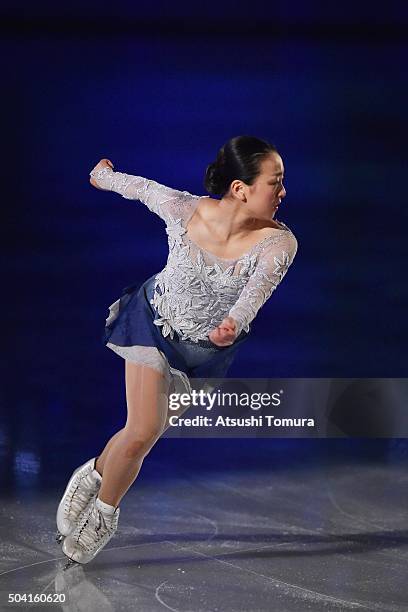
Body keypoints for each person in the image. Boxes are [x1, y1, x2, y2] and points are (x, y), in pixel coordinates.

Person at [56, 135, 298, 564]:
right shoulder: (186, 210)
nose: (283, 192)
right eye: (274, 182)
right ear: (241, 188)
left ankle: (93, 472)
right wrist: (104, 177)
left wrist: (233, 323)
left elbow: (256, 293)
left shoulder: (279, 243)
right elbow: (145, 189)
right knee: (143, 430)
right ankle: (104, 516)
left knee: (138, 436)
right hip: (152, 325)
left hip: (204, 352)